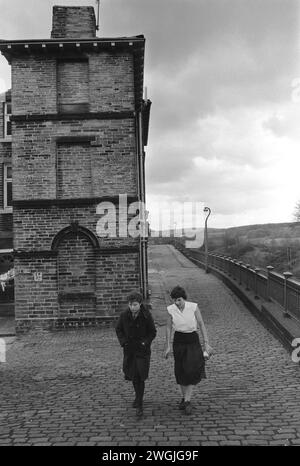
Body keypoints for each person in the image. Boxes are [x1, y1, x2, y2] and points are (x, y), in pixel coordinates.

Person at [165, 285, 213, 415]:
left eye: (179, 299)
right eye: (174, 300)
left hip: (192, 340)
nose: (177, 303)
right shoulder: (171, 310)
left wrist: (206, 343)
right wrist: (168, 345)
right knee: (180, 370)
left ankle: (187, 400)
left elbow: (201, 324)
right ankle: (184, 397)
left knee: (192, 369)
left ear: (184, 298)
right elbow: (169, 328)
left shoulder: (193, 307)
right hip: (179, 341)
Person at [115, 290, 157, 418]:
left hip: (142, 350)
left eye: (135, 305)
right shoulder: (124, 315)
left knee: (140, 374)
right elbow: (119, 329)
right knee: (133, 374)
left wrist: (145, 342)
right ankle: (137, 397)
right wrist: (124, 342)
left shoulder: (146, 315)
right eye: (130, 304)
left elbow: (152, 332)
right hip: (129, 349)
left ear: (140, 304)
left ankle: (139, 400)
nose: (132, 307)